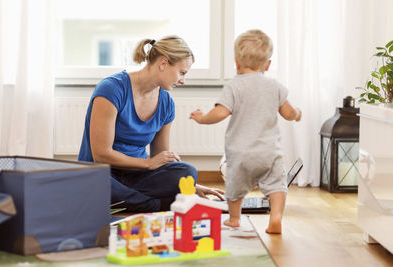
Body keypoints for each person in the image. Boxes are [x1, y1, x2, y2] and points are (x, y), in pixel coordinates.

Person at [78, 35, 224, 212]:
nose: (183, 80)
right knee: (94, 181)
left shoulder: (166, 103)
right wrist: (148, 164)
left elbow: (162, 158)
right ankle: (159, 203)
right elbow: (101, 155)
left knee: (187, 171)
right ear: (163, 63)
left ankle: (123, 202)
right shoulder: (111, 89)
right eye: (182, 72)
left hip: (136, 176)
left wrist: (189, 186)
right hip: (102, 173)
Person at [190, 29, 301, 234]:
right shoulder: (275, 86)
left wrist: (202, 117)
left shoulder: (234, 86)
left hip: (240, 153)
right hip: (269, 152)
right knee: (277, 185)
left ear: (236, 62)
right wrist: (297, 114)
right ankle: (275, 217)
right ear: (268, 65)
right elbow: (288, 112)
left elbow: (220, 113)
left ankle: (234, 218)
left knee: (235, 186)